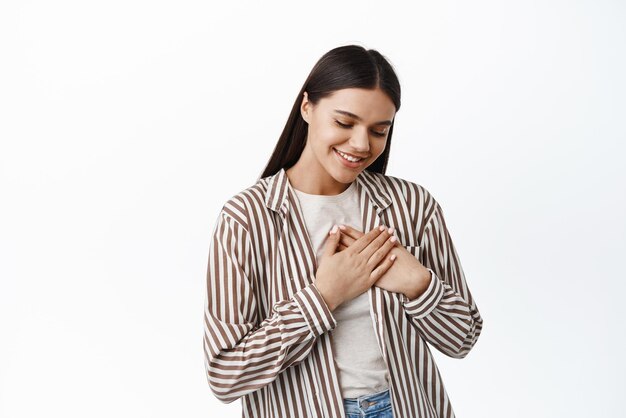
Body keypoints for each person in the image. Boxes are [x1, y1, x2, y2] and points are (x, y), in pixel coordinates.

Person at [203, 44, 483, 418]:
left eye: (379, 130)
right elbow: (226, 375)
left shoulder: (413, 206)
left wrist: (418, 284)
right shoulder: (246, 219)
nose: (361, 145)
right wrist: (323, 296)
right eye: (345, 122)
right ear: (307, 108)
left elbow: (462, 339)